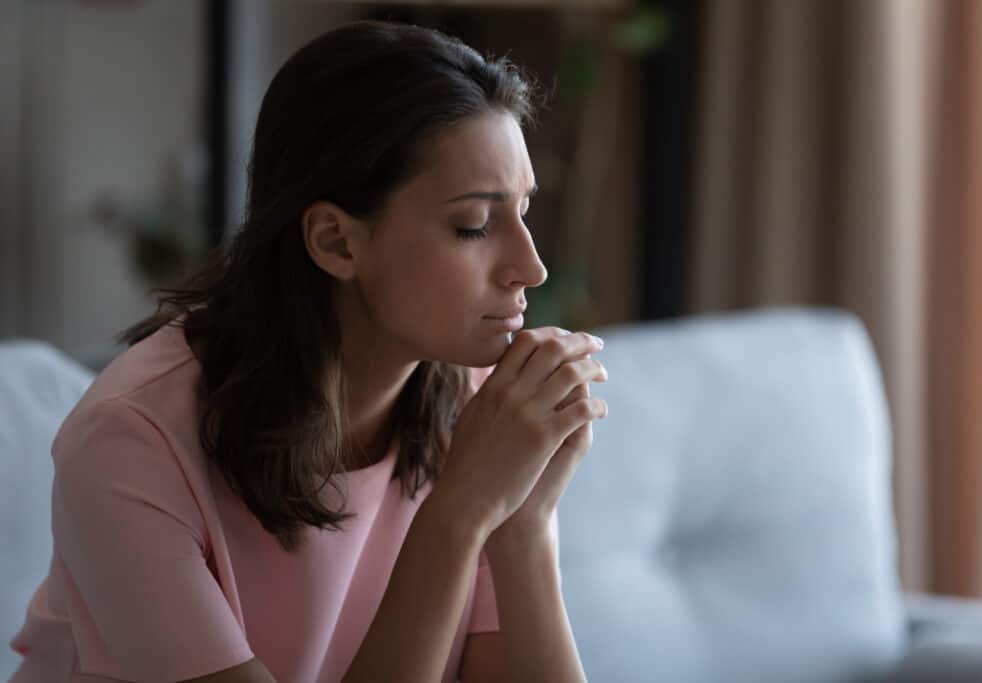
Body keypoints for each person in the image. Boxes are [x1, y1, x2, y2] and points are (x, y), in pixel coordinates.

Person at [8, 19, 610, 683]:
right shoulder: (130, 444)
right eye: (474, 225)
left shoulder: (472, 405)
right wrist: (460, 513)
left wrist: (525, 523)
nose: (531, 266)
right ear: (336, 241)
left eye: (523, 211)